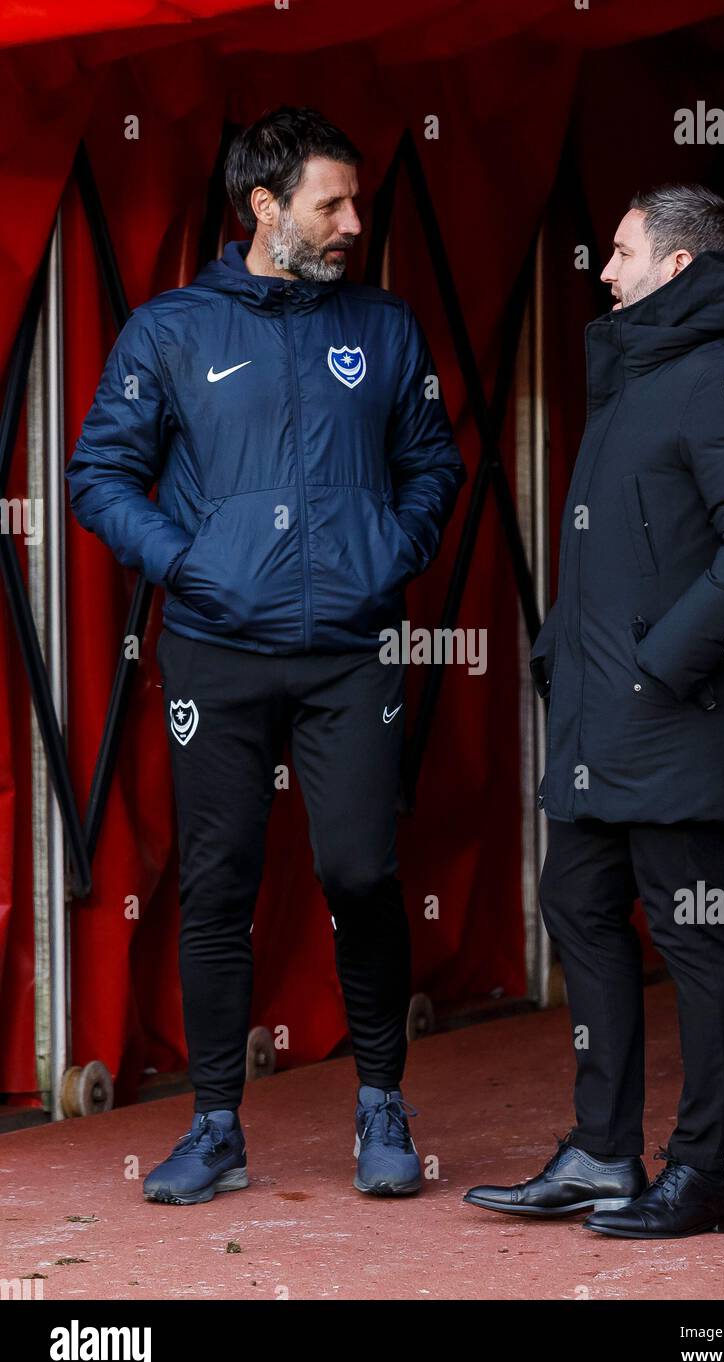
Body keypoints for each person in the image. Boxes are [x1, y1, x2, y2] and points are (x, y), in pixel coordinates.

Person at [66, 106, 465, 1204]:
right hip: (214, 648)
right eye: (330, 202)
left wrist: (393, 545)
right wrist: (188, 564)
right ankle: (213, 1126)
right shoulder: (171, 330)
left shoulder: (384, 326)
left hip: (348, 649)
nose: (352, 220)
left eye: (355, 201)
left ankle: (381, 1104)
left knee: (360, 870)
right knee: (217, 883)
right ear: (262, 206)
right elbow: (97, 472)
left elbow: (436, 462)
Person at [464, 184, 724, 1238]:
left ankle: (707, 1173)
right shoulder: (639, 376)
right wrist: (563, 650)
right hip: (602, 716)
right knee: (578, 905)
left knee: (695, 940)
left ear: (679, 266)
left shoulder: (720, 377)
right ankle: (605, 1151)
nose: (601, 272)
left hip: (676, 712)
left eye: (618, 253)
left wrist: (657, 666)